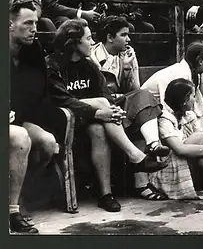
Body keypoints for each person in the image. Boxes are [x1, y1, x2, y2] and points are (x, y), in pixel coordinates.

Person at [45, 19, 168, 212]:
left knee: (99, 127)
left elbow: (105, 94)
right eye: (88, 38)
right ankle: (136, 156)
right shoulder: (52, 66)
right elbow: (62, 100)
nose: (93, 42)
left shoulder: (88, 66)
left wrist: (111, 110)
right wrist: (100, 111)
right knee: (102, 107)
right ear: (74, 43)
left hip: (90, 120)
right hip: (62, 120)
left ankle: (105, 194)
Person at [89, 16, 172, 201]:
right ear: (110, 37)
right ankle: (143, 176)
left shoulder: (128, 55)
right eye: (124, 35)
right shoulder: (93, 56)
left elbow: (135, 90)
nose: (128, 40)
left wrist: (127, 69)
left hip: (122, 104)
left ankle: (152, 146)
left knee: (144, 104)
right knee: (142, 107)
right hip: (100, 107)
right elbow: (99, 92)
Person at [9, 0, 60, 234]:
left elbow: (39, 91)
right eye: (28, 23)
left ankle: (19, 193)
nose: (34, 29)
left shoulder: (34, 50)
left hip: (18, 117)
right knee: (20, 138)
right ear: (9, 24)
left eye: (36, 23)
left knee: (48, 142)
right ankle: (12, 212)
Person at [149, 78, 203, 199]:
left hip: (192, 165)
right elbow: (179, 149)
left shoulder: (189, 115)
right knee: (199, 139)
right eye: (193, 96)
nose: (195, 99)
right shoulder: (165, 119)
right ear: (184, 100)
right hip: (172, 169)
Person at [141, 41, 203, 132]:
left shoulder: (193, 73)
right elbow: (170, 104)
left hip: (160, 108)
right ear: (200, 61)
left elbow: (197, 108)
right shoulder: (179, 73)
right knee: (196, 121)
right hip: (147, 108)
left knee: (201, 119)